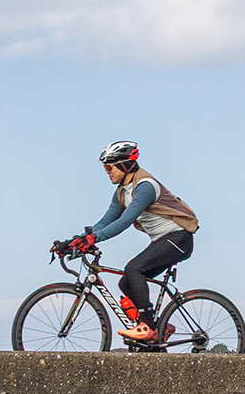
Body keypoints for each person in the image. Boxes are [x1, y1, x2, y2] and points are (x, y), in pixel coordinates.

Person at [64, 141, 200, 343]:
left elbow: (125, 220)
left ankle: (147, 327)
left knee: (134, 268)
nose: (107, 172)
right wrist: (74, 242)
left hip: (179, 237)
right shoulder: (121, 192)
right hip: (164, 239)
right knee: (126, 282)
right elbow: (105, 222)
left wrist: (95, 238)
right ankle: (159, 328)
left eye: (109, 167)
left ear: (125, 164)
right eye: (105, 168)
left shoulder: (145, 186)